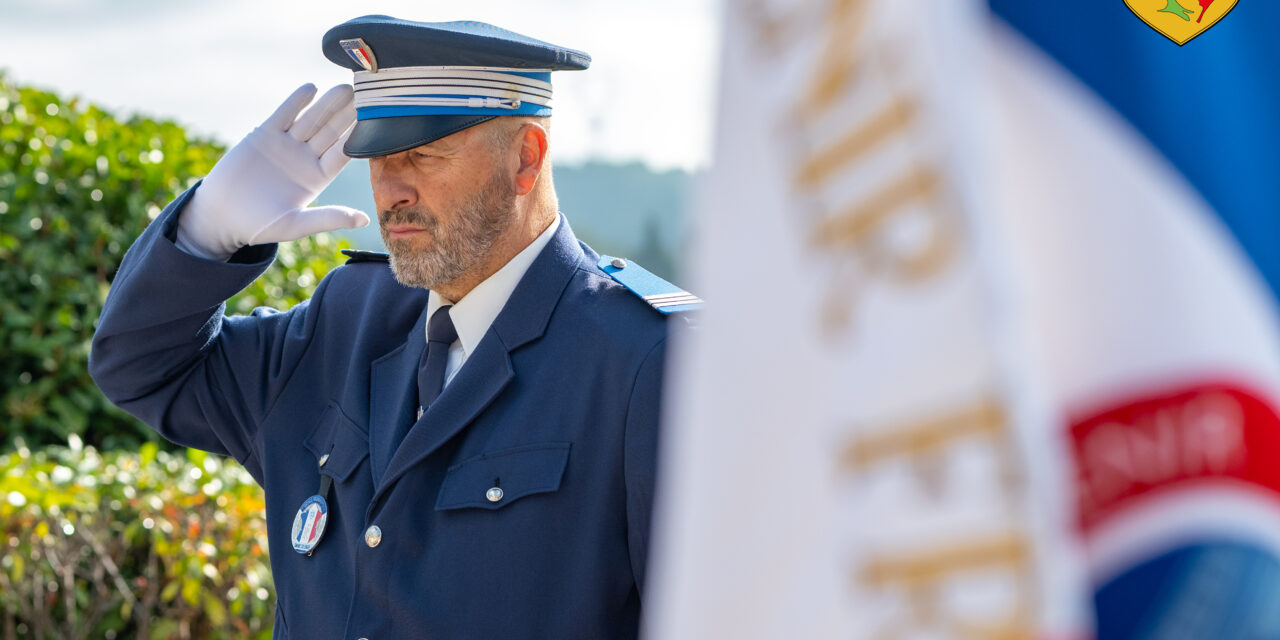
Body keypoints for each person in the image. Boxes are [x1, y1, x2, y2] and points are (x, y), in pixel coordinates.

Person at [89, 16, 699, 640]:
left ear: (526, 157)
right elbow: (142, 366)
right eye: (378, 157)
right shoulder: (349, 318)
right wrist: (203, 235)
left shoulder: (650, 360)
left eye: (424, 155)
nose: (391, 191)